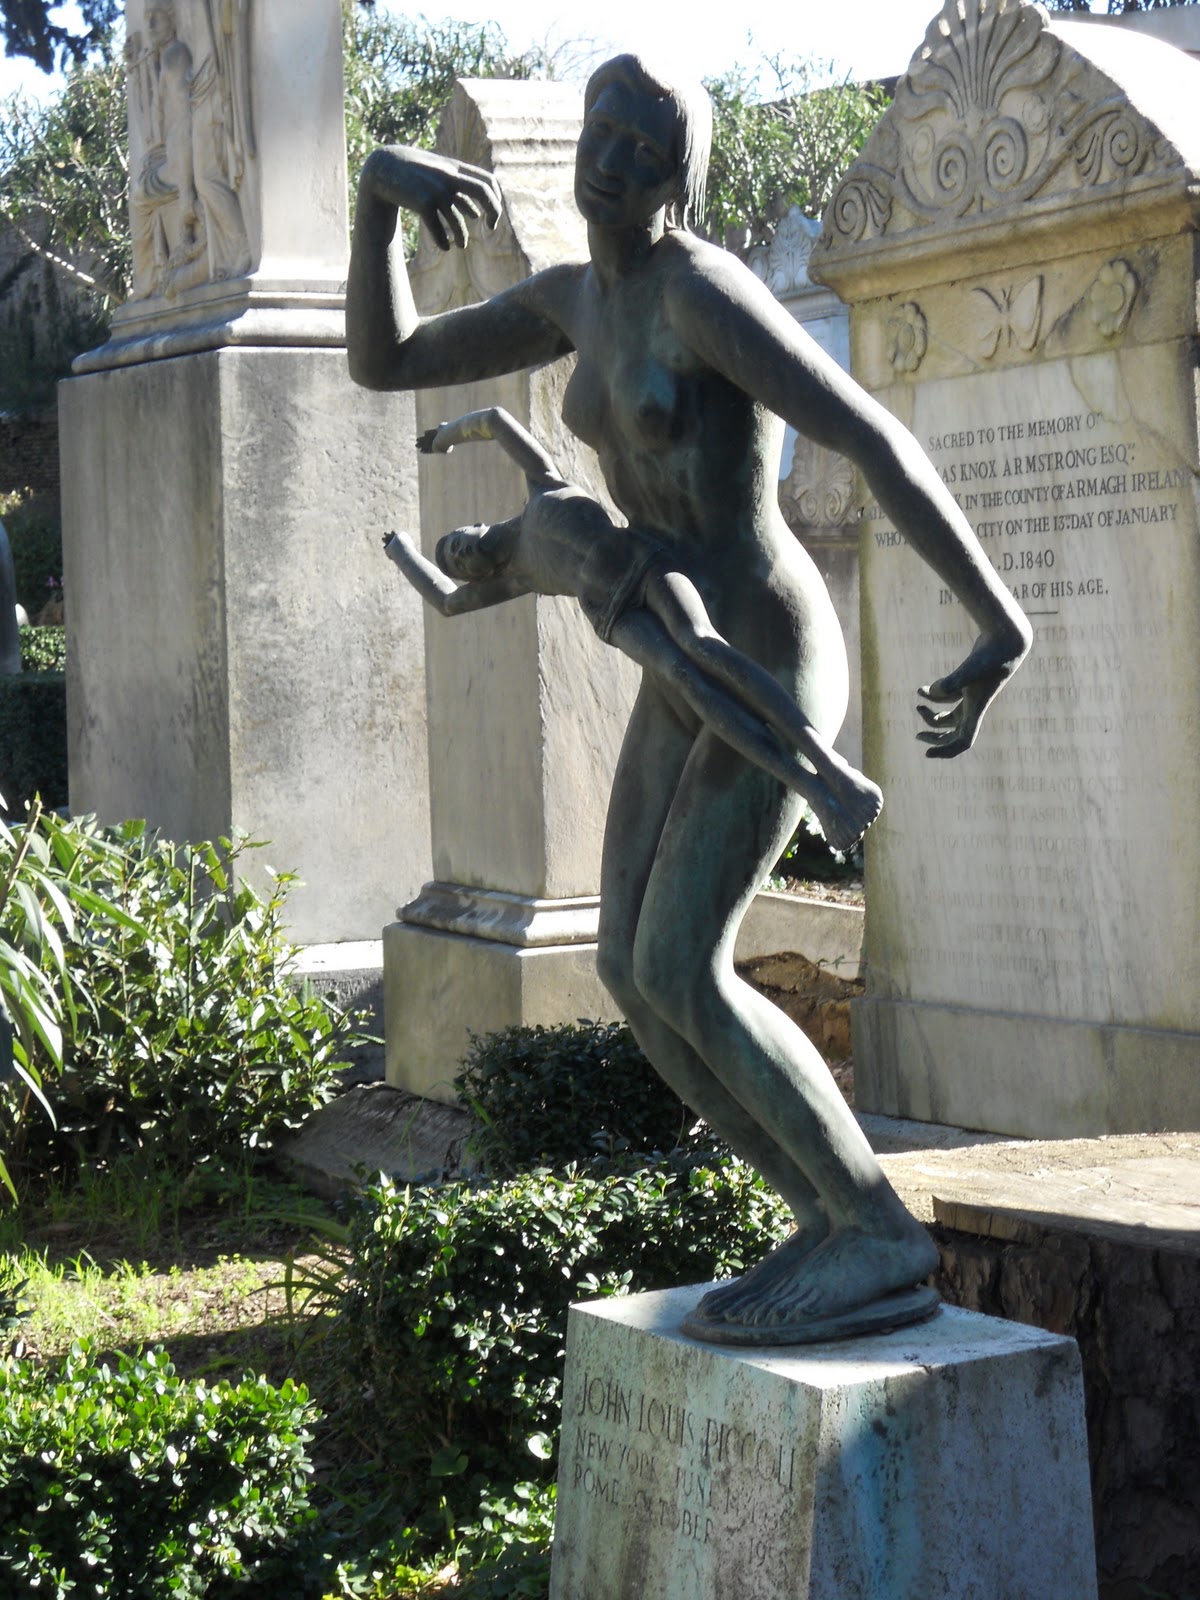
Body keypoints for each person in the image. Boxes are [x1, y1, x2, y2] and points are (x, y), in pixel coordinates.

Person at [347, 54, 1031, 1342]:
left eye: (645, 148)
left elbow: (869, 436)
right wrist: (376, 198)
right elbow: (387, 363)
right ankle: (824, 1222)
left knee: (681, 960)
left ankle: (875, 1226)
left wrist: (998, 619)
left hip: (764, 649)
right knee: (627, 964)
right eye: (602, 129)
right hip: (676, 652)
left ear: (679, 179)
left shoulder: (700, 294)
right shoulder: (575, 298)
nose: (610, 159)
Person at [386, 404, 883, 853]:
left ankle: (833, 767)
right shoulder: (516, 576)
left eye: (456, 542)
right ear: (475, 575)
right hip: (614, 615)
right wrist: (401, 552)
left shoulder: (543, 486)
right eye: (458, 563)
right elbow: (446, 602)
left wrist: (446, 435)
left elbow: (497, 421)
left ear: (473, 525)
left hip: (641, 562)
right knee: (687, 680)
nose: (462, 554)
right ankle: (813, 789)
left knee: (703, 644)